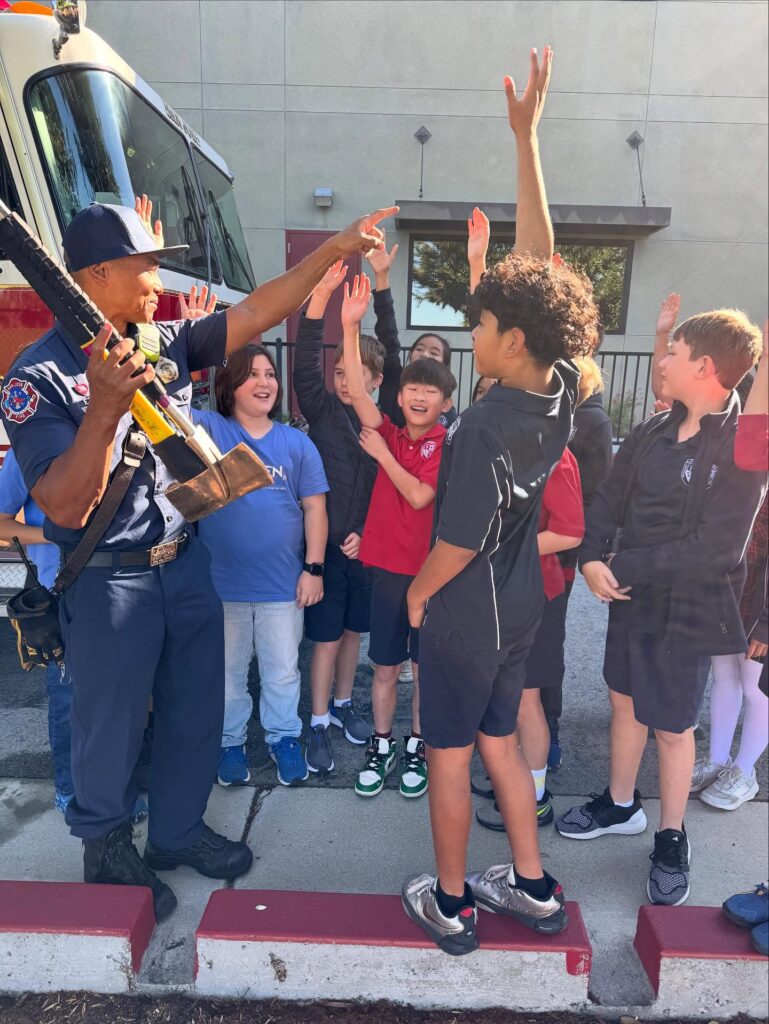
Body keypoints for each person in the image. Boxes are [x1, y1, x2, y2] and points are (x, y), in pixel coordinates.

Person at [1, 193, 396, 921]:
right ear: (94, 277)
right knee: (110, 722)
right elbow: (59, 505)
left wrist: (333, 253)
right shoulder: (38, 378)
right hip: (109, 580)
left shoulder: (160, 341)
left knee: (192, 711)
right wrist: (103, 409)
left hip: (183, 562)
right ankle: (107, 848)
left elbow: (259, 312)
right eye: (144, 267)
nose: (158, 282)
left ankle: (177, 832)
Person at [401, 46, 600, 955]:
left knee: (448, 750)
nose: (469, 329)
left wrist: (413, 595)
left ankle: (449, 901)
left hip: (466, 609)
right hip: (520, 605)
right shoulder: (558, 387)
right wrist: (527, 142)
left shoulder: (480, 426)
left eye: (478, 323)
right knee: (501, 745)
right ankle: (531, 886)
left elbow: (452, 541)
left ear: (510, 338)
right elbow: (543, 266)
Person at [556, 306, 766, 908]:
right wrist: (591, 556)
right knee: (624, 703)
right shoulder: (651, 430)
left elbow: (717, 548)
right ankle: (621, 805)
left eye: (671, 352)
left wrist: (620, 567)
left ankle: (672, 837)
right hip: (629, 599)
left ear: (703, 367)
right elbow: (608, 499)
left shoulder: (740, 449)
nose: (661, 362)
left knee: (673, 730)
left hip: (688, 609)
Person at [342, 273, 456, 800]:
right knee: (383, 666)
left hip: (428, 576)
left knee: (422, 668)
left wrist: (383, 456)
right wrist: (350, 324)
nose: (418, 396)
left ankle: (417, 744)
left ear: (445, 404)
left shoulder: (443, 447)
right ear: (401, 392)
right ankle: (382, 743)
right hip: (386, 571)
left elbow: (418, 497)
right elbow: (362, 393)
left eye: (430, 391)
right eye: (411, 388)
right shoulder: (386, 428)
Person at [194, 345, 329, 787]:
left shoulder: (296, 443)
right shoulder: (210, 430)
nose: (265, 382)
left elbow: (315, 509)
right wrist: (190, 348)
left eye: (270, 374)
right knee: (227, 675)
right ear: (229, 386)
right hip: (222, 586)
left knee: (282, 672)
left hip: (282, 587)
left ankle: (285, 737)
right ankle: (229, 742)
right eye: (251, 374)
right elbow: (168, 405)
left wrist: (314, 569)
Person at [292, 261, 395, 775]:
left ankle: (341, 706)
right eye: (339, 372)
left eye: (352, 373)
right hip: (324, 551)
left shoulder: (384, 424)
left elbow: (383, 495)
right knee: (326, 639)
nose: (341, 380)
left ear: (374, 382)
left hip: (366, 552)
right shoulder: (324, 412)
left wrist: (366, 536)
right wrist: (322, 303)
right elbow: (304, 366)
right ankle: (315, 722)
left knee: (355, 634)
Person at [476, 443, 584, 832]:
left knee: (526, 701)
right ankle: (515, 784)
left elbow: (570, 532)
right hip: (502, 591)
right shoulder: (502, 447)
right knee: (509, 697)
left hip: (537, 593)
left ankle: (534, 798)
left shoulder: (554, 453)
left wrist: (500, 548)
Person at [369, 241, 458, 431]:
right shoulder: (394, 377)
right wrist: (381, 276)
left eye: (434, 352)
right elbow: (388, 335)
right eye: (419, 349)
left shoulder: (447, 411)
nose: (425, 354)